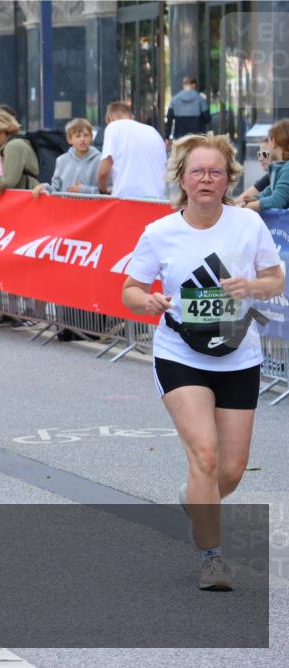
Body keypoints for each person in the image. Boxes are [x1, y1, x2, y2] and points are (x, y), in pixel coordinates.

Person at [121, 133, 284, 591]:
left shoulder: (246, 225)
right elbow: (129, 289)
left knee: (230, 468)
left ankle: (195, 497)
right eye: (198, 171)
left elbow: (275, 279)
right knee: (206, 456)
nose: (207, 179)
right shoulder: (160, 232)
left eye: (215, 171)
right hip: (180, 353)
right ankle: (212, 558)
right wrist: (148, 301)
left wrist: (250, 289)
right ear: (183, 179)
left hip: (238, 352)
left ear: (229, 177)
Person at [97, 101, 168, 200]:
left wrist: (102, 191)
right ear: (132, 117)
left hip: (128, 200)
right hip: (158, 200)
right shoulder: (153, 131)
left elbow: (103, 172)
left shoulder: (114, 127)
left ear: (110, 118)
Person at [33, 118, 101, 197]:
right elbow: (55, 190)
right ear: (69, 139)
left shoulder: (100, 160)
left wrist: (84, 190)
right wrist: (44, 188)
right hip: (66, 208)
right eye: (78, 136)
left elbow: (108, 192)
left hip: (92, 208)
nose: (82, 139)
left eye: (86, 135)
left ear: (91, 137)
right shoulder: (61, 160)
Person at [241, 119, 289, 213]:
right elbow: (270, 192)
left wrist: (249, 206)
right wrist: (254, 199)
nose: (260, 158)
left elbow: (277, 201)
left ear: (274, 141)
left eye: (269, 140)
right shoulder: (281, 167)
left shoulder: (287, 168)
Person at [165, 76, 211, 142]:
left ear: (183, 85)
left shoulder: (174, 100)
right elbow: (207, 118)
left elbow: (169, 119)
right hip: (197, 137)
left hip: (180, 137)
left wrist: (167, 137)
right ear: (194, 85)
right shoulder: (200, 99)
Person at [234, 139, 272, 205]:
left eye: (265, 153)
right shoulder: (270, 176)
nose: (260, 159)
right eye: (259, 154)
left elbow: (277, 200)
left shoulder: (281, 175)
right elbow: (240, 200)